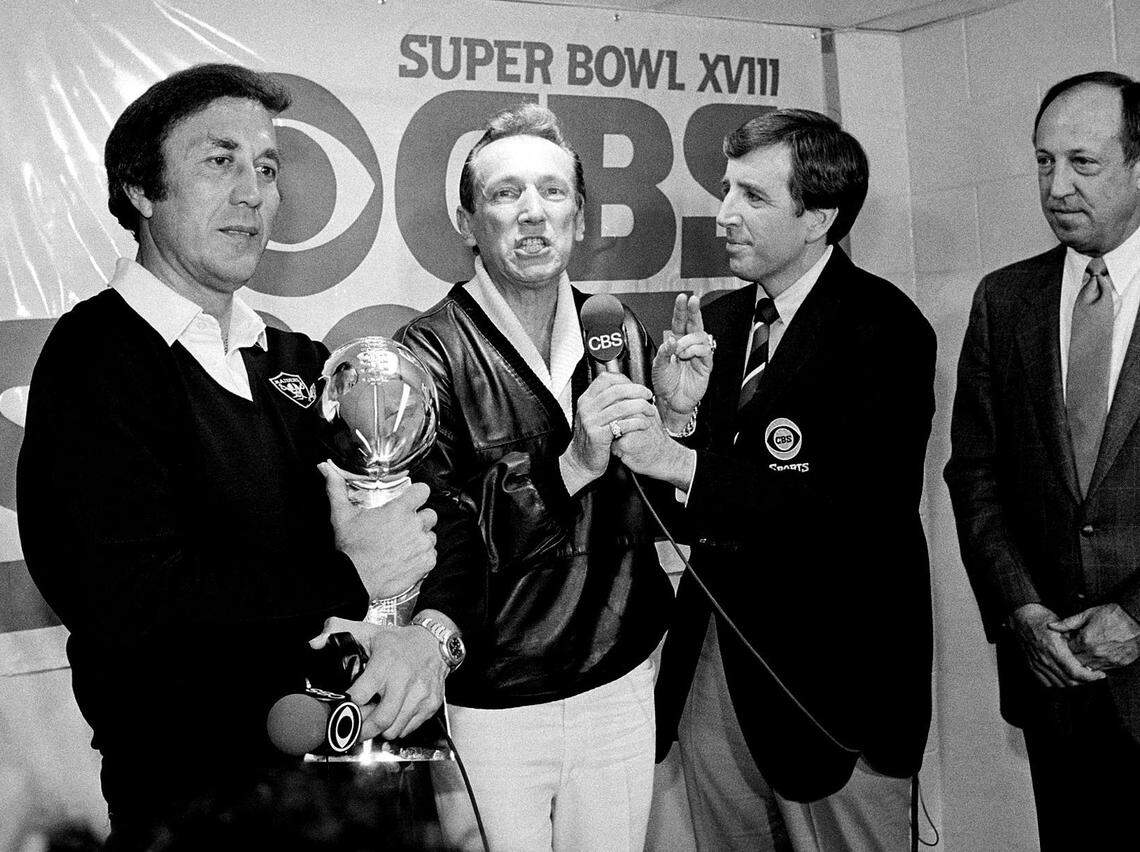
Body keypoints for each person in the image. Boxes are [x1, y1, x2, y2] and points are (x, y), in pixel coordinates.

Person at [16, 63, 443, 847]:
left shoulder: (293, 357)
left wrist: (426, 636)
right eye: (221, 161)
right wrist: (347, 575)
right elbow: (129, 599)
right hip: (198, 811)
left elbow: (417, 525)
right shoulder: (96, 359)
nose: (254, 191)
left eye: (268, 166)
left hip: (344, 795)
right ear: (142, 189)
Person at [616, 109, 936, 850]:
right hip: (715, 669)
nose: (724, 215)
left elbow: (856, 519)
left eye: (753, 198)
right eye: (726, 190)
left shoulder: (884, 328)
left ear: (819, 216)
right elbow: (680, 513)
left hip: (832, 685)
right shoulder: (721, 323)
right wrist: (676, 419)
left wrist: (685, 460)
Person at [394, 102, 710, 851]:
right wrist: (570, 466)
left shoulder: (615, 328)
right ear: (468, 221)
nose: (532, 214)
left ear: (580, 217)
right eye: (505, 194)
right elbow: (435, 549)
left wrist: (673, 423)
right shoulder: (425, 355)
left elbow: (648, 515)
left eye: (553, 192)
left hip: (618, 673)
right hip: (493, 696)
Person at [945, 71, 1140, 850]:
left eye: (1082, 164)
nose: (1056, 186)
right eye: (1042, 162)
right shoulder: (1006, 299)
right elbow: (977, 475)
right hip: (1055, 680)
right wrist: (1023, 611)